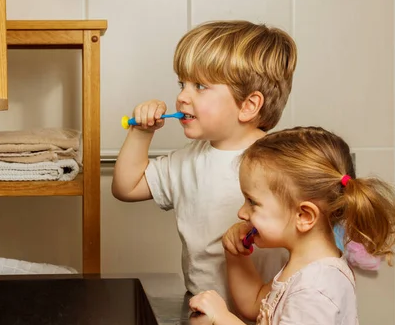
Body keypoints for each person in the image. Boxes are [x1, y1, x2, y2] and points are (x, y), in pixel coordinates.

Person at [112, 20, 297, 300]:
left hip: (269, 318)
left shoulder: (284, 162)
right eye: (182, 84)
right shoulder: (187, 162)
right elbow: (126, 187)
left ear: (248, 105)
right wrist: (141, 132)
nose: (181, 97)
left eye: (199, 86)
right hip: (204, 313)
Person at [189, 126, 395, 325]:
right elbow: (254, 304)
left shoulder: (319, 284)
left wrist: (222, 317)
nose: (241, 213)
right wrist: (235, 255)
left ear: (304, 216)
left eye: (252, 202)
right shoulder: (302, 268)